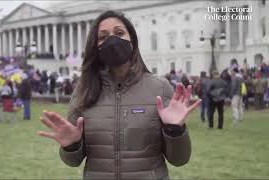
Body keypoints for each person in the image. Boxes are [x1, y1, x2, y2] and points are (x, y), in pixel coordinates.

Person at [37, 10, 201, 180]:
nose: (112, 40)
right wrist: (72, 146)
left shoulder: (160, 88)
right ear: (95, 45)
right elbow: (73, 161)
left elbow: (179, 159)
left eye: (119, 33)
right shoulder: (83, 90)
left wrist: (175, 130)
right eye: (103, 36)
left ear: (132, 40)